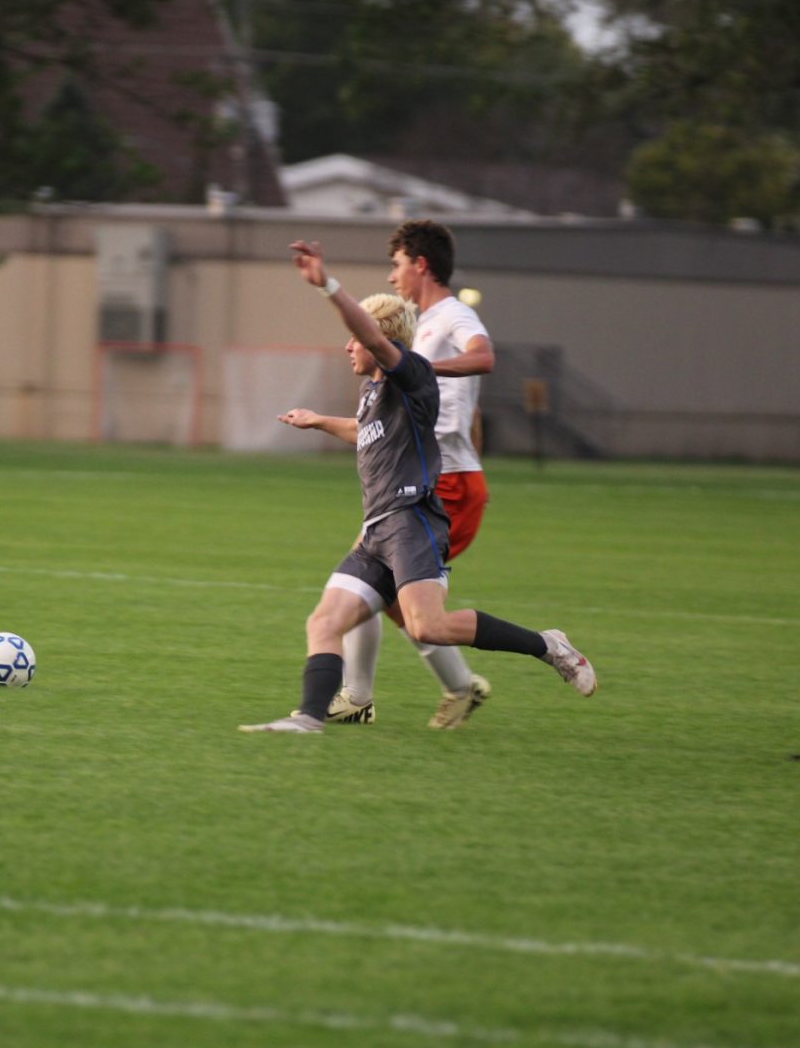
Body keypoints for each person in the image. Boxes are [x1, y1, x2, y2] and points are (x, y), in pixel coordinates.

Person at [239, 240, 596, 734]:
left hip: (412, 523)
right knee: (323, 622)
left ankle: (547, 644)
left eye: (356, 339)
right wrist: (319, 421)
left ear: (380, 341)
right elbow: (365, 434)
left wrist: (328, 286)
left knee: (428, 625)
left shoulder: (409, 377)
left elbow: (366, 329)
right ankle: (308, 719)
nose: (347, 346)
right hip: (377, 530)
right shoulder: (374, 392)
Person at [327, 219, 495, 729]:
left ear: (420, 264)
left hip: (443, 483)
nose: (393, 275)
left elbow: (483, 356)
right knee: (381, 592)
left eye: (397, 264)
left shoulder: (451, 315)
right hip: (421, 473)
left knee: (379, 592)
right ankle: (442, 687)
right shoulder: (421, 322)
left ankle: (369, 694)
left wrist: (422, 367)